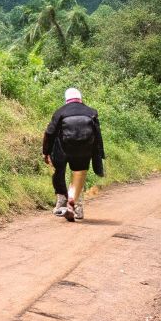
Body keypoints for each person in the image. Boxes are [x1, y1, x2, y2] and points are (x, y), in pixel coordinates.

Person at [43, 86, 104, 222]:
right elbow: (98, 135)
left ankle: (61, 201)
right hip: (84, 150)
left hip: (63, 149)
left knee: (58, 171)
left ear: (66, 99)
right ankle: (77, 206)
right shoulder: (91, 112)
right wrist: (98, 154)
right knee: (79, 175)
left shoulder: (60, 112)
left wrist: (46, 152)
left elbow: (49, 133)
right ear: (80, 99)